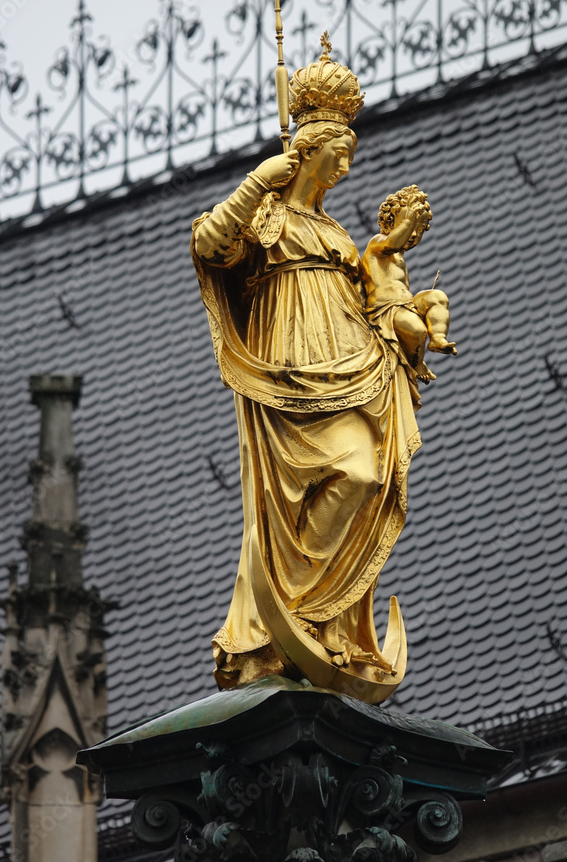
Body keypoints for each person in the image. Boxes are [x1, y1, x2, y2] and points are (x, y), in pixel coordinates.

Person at [191, 39, 424, 698]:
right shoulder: (264, 215)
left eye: (349, 155)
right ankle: (282, 623)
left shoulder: (339, 236)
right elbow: (208, 245)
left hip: (346, 361)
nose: (344, 168)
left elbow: (376, 302)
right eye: (335, 154)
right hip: (287, 368)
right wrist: (258, 180)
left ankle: (321, 619)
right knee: (314, 484)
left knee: (368, 470)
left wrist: (407, 322)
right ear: (306, 153)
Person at [361, 185, 456, 385]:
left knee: (437, 297)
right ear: (388, 223)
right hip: (385, 309)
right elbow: (392, 244)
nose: (412, 234)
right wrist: (410, 219)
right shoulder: (378, 244)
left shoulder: (400, 258)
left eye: (418, 230)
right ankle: (417, 363)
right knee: (418, 331)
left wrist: (411, 220)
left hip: (405, 304)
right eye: (407, 226)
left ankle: (437, 338)